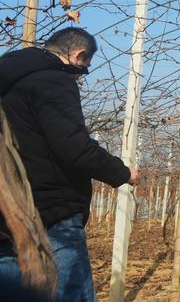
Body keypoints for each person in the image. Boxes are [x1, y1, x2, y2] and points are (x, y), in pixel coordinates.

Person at [0, 27, 140, 301]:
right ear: (79, 55)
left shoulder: (8, 85)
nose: (80, 77)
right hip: (51, 211)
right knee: (70, 292)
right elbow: (73, 146)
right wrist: (122, 173)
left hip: (7, 212)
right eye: (84, 68)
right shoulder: (53, 81)